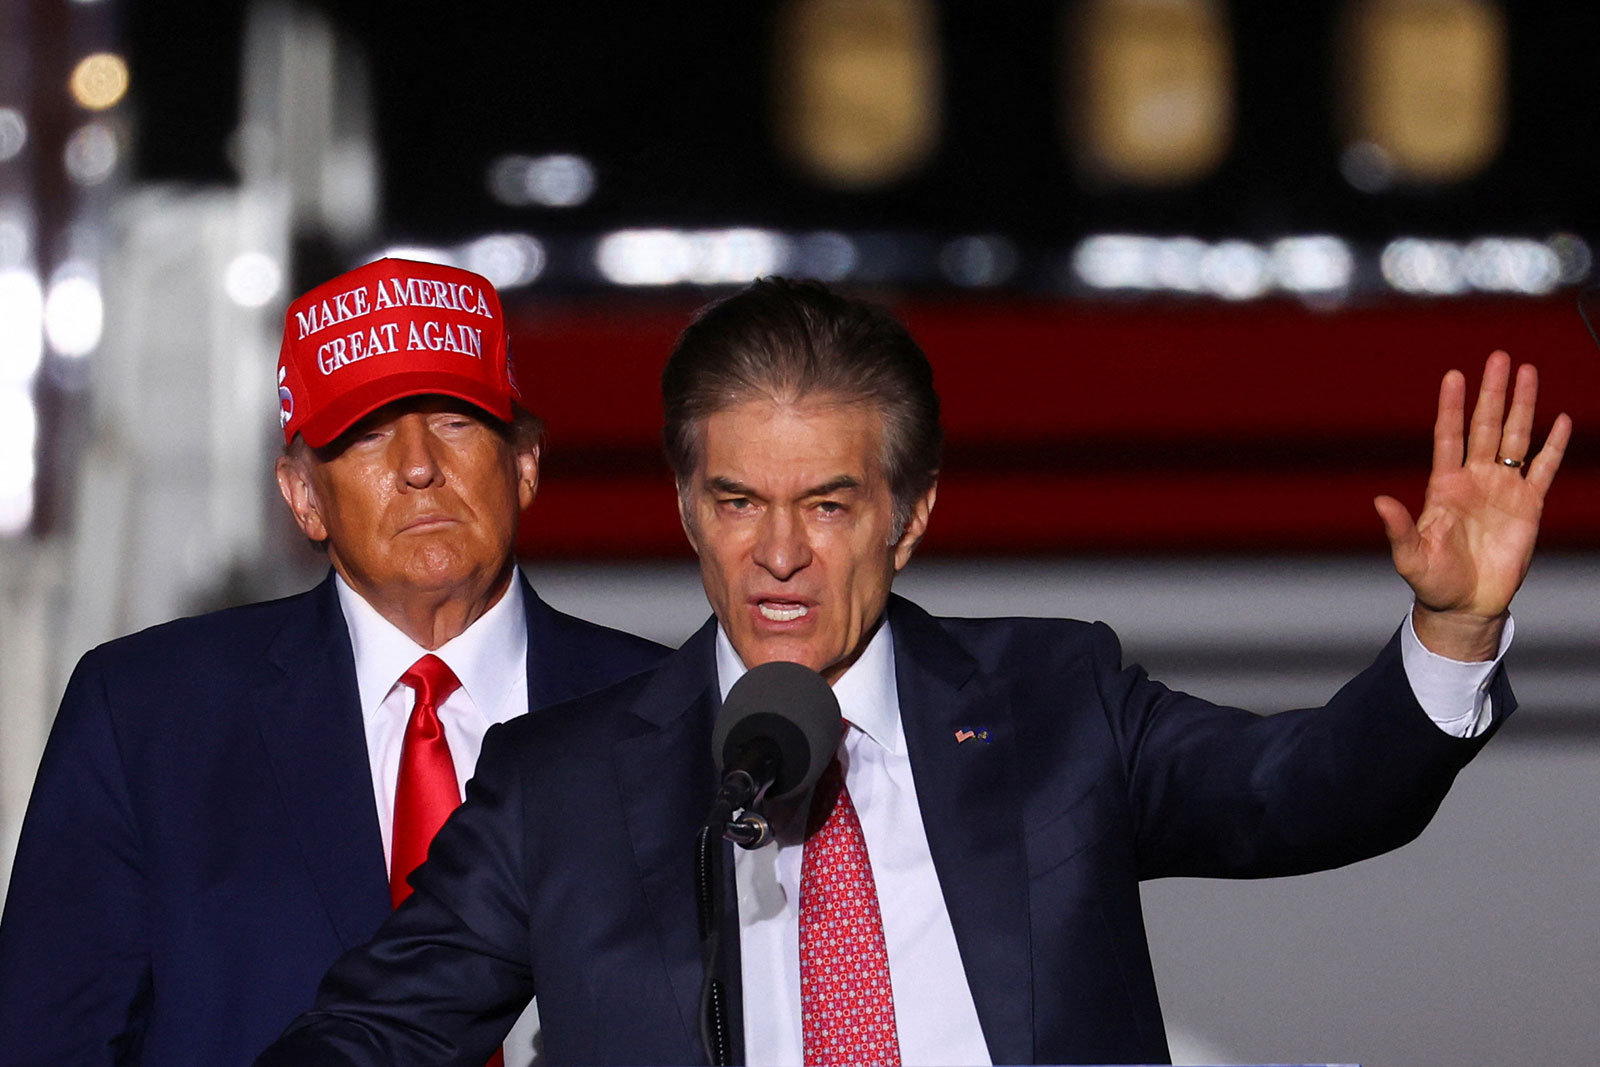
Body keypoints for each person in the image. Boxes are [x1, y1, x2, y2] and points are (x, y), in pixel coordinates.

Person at [256, 277, 1570, 1066]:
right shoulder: (561, 784)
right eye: (736, 501)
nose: (776, 554)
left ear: (911, 513)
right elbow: (368, 1034)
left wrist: (1448, 631)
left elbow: (1314, 791)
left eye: (827, 504)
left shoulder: (1055, 704)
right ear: (685, 506)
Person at [0, 258, 667, 1066]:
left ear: (526, 462)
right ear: (302, 496)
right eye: (370, 432)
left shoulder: (669, 713)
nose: (419, 465)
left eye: (455, 420)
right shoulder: (148, 719)